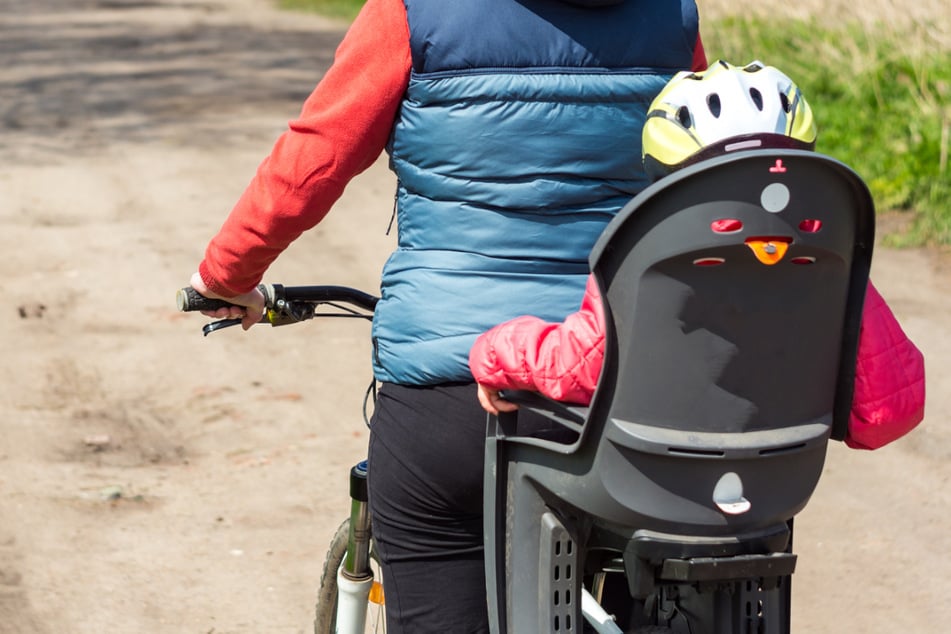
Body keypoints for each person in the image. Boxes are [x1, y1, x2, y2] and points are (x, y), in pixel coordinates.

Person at [188, 0, 707, 630]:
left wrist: (226, 274)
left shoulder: (413, 11)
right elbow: (701, 165)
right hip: (623, 386)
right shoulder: (669, 15)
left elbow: (314, 159)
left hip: (456, 398)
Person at [469, 61, 926, 451]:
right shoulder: (829, 260)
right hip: (776, 485)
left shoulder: (649, 253)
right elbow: (888, 411)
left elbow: (581, 364)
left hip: (651, 486)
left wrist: (494, 352)